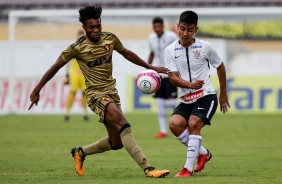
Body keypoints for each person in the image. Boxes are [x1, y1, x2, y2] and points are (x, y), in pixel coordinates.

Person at [28, 5, 170, 178]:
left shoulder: (110, 39)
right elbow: (55, 67)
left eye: (98, 26)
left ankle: (80, 152)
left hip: (112, 92)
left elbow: (127, 54)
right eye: (91, 27)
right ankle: (148, 168)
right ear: (84, 28)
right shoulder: (77, 47)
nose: (96, 30)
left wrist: (151, 67)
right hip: (95, 95)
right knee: (122, 123)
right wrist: (37, 89)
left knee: (116, 142)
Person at [164, 10, 230, 177]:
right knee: (174, 124)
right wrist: (190, 85)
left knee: (193, 124)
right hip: (186, 98)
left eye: (190, 29)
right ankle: (204, 153)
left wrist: (223, 94)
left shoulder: (205, 47)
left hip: (206, 95)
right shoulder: (170, 50)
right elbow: (172, 78)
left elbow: (220, 66)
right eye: (182, 28)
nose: (185, 33)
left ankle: (187, 169)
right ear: (177, 27)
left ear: (196, 30)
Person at [148, 17, 178, 139]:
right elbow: (152, 53)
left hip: (170, 73)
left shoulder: (171, 36)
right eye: (155, 26)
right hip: (158, 75)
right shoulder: (151, 38)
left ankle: (184, 119)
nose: (157, 29)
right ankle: (163, 131)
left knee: (171, 102)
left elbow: (179, 50)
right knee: (160, 103)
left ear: (163, 26)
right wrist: (148, 69)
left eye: (159, 26)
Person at [64, 29, 89, 121]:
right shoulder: (72, 47)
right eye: (79, 36)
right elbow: (67, 61)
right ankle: (67, 113)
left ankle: (85, 114)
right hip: (74, 73)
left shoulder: (87, 48)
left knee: (84, 94)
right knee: (72, 93)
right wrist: (67, 75)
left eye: (82, 36)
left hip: (83, 74)